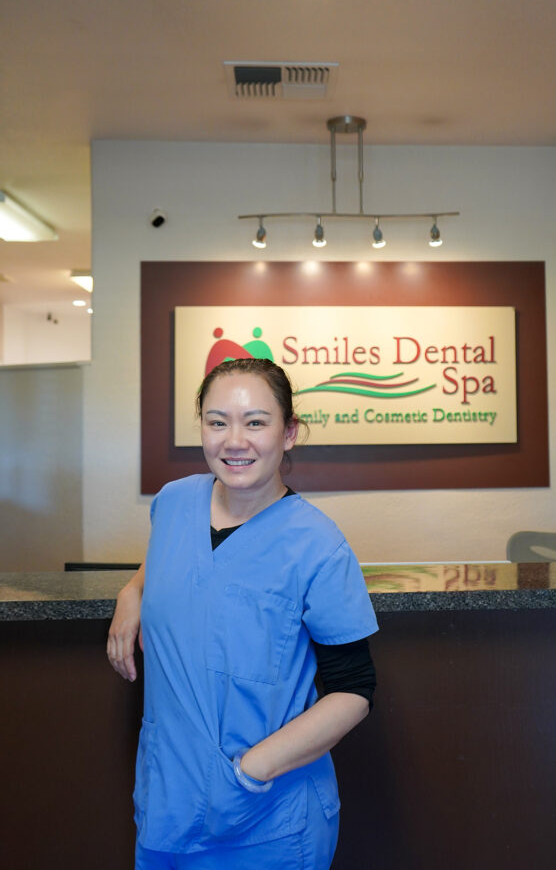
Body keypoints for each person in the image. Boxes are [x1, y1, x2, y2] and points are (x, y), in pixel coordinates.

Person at [107, 358, 378, 870]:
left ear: (289, 432)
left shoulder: (317, 544)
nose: (235, 440)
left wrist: (252, 771)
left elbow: (354, 689)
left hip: (266, 818)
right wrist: (133, 589)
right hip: (167, 805)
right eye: (217, 422)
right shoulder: (174, 502)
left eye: (256, 422)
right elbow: (178, 559)